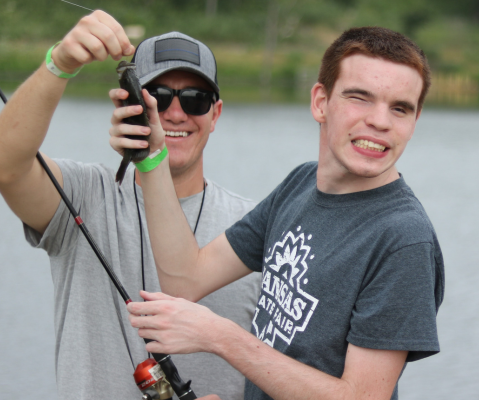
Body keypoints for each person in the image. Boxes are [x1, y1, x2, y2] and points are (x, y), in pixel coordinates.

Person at [111, 26, 445, 400]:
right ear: (320, 102)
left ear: (414, 122)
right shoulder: (301, 184)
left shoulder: (403, 239)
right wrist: (152, 159)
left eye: (400, 108)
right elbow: (186, 279)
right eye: (360, 98)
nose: (381, 121)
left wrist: (218, 335)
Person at [0, 10, 260, 400]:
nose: (175, 113)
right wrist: (59, 64)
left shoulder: (255, 226)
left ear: (215, 114)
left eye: (196, 100)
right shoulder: (83, 194)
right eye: (158, 97)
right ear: (128, 103)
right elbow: (3, 166)